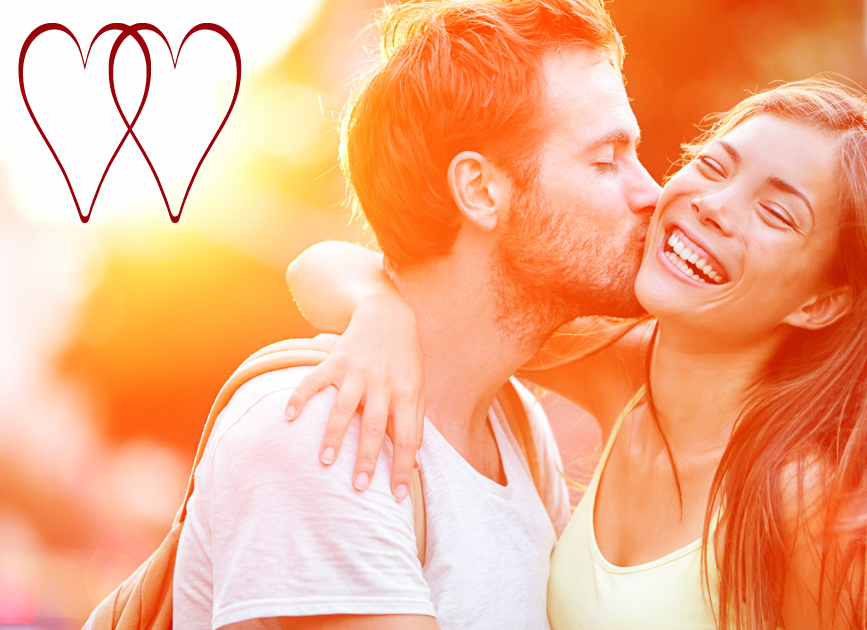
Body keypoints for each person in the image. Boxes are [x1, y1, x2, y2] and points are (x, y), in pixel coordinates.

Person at [286, 78, 867, 629]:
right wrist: (379, 313)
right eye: (714, 165)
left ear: (819, 302)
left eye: (775, 213)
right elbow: (322, 267)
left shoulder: (799, 501)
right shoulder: (624, 368)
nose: (714, 208)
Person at [171, 1, 661, 629]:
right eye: (606, 159)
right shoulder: (324, 430)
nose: (650, 192)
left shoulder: (516, 429)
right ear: (482, 191)